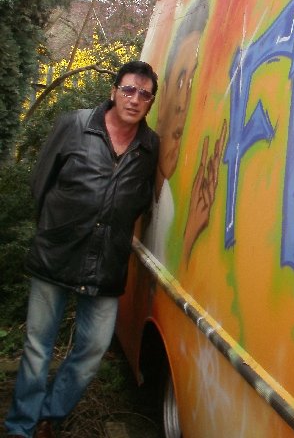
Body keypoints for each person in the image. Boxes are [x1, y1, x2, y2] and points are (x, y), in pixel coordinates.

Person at [3, 61, 160, 438]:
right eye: (128, 89)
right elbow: (41, 183)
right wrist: (56, 231)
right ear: (113, 91)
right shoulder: (74, 125)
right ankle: (22, 427)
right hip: (56, 255)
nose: (134, 99)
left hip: (106, 264)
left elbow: (139, 202)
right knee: (38, 348)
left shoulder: (149, 146)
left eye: (144, 94)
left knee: (92, 350)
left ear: (151, 102)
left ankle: (50, 415)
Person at [143, 0, 226, 267]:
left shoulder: (167, 201)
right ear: (162, 93)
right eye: (180, 80)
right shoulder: (135, 163)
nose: (184, 103)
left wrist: (191, 230)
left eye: (191, 81)